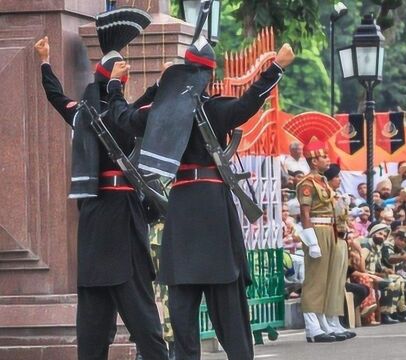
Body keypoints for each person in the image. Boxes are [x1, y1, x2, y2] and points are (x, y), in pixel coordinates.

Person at [108, 37, 295, 358]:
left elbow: (121, 119)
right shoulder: (216, 109)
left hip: (180, 212)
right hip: (213, 213)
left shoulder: (160, 112)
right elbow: (249, 102)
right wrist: (275, 67)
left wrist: (115, 85)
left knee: (183, 320)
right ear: (209, 76)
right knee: (231, 318)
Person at [35, 8, 169, 359]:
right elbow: (131, 115)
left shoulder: (82, 113)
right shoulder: (118, 115)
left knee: (92, 330)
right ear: (116, 84)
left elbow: (55, 95)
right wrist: (158, 86)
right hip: (122, 217)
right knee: (144, 321)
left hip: (93, 221)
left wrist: (46, 63)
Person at [295, 139, 347, 342]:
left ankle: (324, 324)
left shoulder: (323, 182)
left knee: (327, 280)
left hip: (330, 229)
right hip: (316, 230)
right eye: (324, 157)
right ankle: (312, 328)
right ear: (314, 161)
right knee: (315, 280)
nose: (328, 160)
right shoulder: (306, 183)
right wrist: (312, 241)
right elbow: (305, 214)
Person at [322, 163, 356, 340]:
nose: (339, 180)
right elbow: (335, 216)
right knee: (333, 281)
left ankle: (335, 319)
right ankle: (329, 319)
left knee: (339, 282)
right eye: (336, 177)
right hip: (333, 238)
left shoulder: (337, 195)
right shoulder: (329, 196)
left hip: (342, 239)